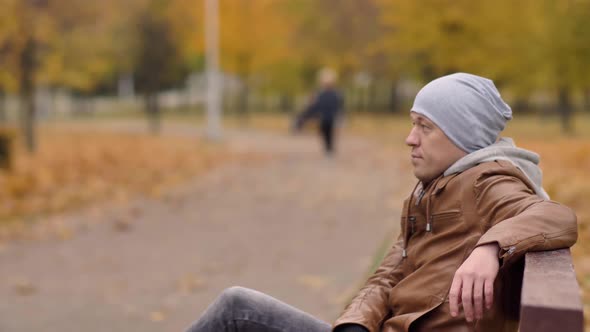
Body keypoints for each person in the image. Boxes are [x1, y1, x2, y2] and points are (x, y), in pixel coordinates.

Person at [184, 73, 578, 332]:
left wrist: (490, 248)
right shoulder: (430, 191)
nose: (410, 138)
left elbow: (554, 215)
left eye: (425, 127)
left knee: (238, 311)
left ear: (465, 137)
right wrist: (356, 324)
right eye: (412, 124)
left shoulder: (485, 180)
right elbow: (388, 275)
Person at [293, 68, 344, 156]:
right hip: (323, 115)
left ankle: (329, 148)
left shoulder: (335, 93)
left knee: (329, 131)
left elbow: (339, 105)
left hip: (329, 116)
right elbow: (314, 105)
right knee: (325, 131)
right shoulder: (321, 93)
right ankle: (328, 148)